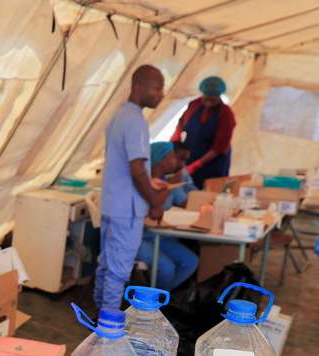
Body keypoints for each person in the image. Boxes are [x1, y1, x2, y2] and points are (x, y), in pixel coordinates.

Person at [94, 65, 169, 311]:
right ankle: (107, 326)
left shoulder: (119, 115)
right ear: (139, 86)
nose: (161, 94)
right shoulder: (136, 120)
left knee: (106, 264)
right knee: (118, 270)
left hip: (112, 203)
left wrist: (149, 180)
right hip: (127, 209)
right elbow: (136, 169)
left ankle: (99, 314)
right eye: (157, 88)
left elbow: (131, 168)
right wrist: (155, 202)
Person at [136, 142, 199, 290]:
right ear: (159, 159)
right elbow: (152, 209)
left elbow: (186, 203)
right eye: (171, 157)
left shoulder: (167, 181)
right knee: (167, 268)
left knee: (191, 261)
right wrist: (169, 186)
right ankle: (157, 303)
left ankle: (162, 297)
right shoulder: (143, 183)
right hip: (138, 238)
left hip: (160, 236)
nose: (176, 162)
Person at [171, 76, 236, 189]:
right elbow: (180, 126)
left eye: (213, 98)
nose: (208, 101)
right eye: (206, 97)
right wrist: (173, 148)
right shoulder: (194, 105)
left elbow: (218, 148)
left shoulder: (226, 113)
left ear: (219, 95)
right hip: (190, 156)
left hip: (213, 163)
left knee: (208, 193)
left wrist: (195, 165)